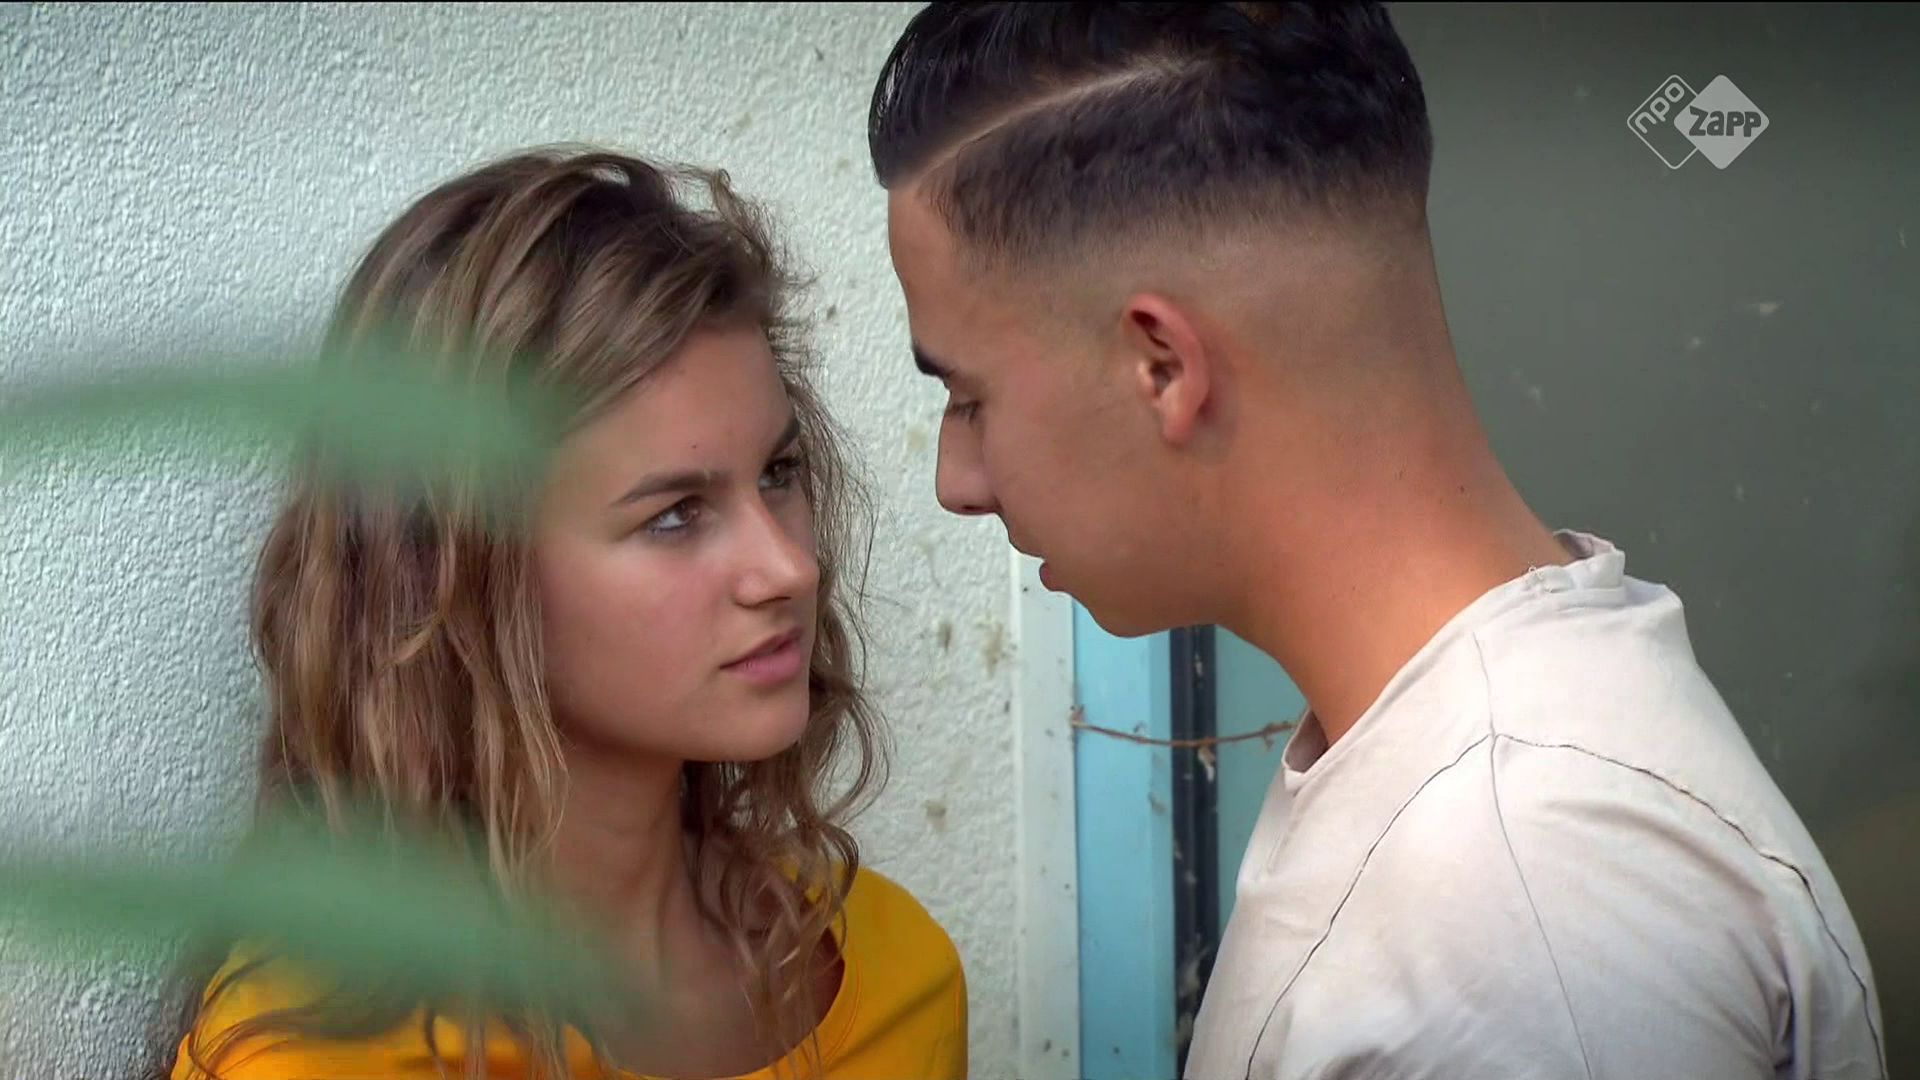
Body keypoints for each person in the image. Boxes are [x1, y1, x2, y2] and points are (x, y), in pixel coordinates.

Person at [867, 4, 1884, 1079]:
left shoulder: (1520, 915)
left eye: (968, 398)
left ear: (1161, 366)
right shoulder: (1484, 822)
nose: (955, 483)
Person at [158, 147, 967, 1080]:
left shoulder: (897, 973)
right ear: (459, 571)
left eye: (779, 473)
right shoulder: (316, 1058)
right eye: (675, 515)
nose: (789, 567)